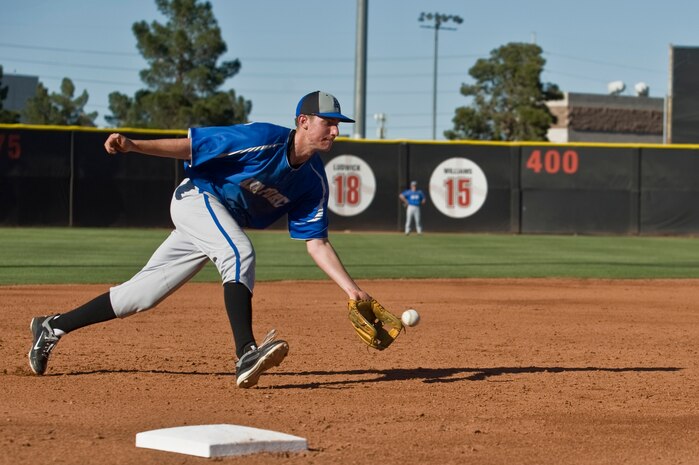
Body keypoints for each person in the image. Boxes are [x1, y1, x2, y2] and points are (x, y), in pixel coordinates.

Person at [28, 90, 372, 388]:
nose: (335, 130)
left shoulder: (314, 181)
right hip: (197, 198)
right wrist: (134, 145)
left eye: (337, 123)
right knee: (238, 252)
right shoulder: (263, 138)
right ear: (303, 121)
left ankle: (52, 326)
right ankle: (245, 354)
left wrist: (352, 290)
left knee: (141, 296)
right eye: (328, 121)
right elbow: (192, 147)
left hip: (217, 220)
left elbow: (317, 242)